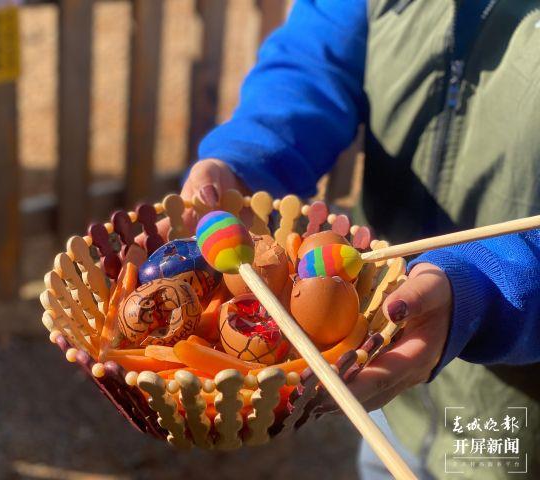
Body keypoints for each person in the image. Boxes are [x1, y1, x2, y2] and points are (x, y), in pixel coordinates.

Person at [170, 1, 540, 478]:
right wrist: (248, 157)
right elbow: (314, 62)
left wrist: (483, 290)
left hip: (516, 419)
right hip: (385, 367)